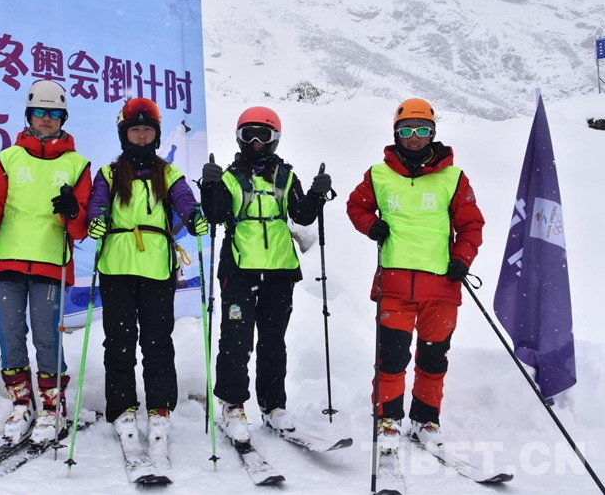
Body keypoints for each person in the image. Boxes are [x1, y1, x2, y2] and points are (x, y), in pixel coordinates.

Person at [346, 98, 484, 450]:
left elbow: (471, 225)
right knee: (391, 358)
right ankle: (388, 420)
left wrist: (462, 259)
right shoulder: (378, 175)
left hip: (442, 287)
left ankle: (426, 420)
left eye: (422, 130)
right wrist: (370, 225)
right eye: (406, 130)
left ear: (433, 133)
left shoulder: (453, 177)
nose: (414, 137)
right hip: (394, 287)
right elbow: (356, 206)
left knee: (433, 359)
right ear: (396, 133)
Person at [0, 80, 92, 445]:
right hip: (8, 260)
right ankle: (21, 403)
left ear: (63, 118)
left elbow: (81, 227)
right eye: (39, 112)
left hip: (50, 262)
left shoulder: (78, 164)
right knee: (11, 334)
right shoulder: (9, 158)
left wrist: (72, 211)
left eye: (53, 113)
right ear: (29, 115)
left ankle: (52, 405)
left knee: (47, 336)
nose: (46, 119)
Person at [199, 106, 332, 442]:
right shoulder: (230, 177)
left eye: (264, 135)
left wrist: (317, 194)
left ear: (275, 139)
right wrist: (210, 187)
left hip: (279, 272)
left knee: (273, 342)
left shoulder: (286, 176)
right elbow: (215, 215)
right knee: (236, 341)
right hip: (239, 272)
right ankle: (232, 405)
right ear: (239, 138)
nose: (256, 142)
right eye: (249, 135)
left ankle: (273, 406)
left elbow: (301, 216)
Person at [85, 97, 208, 449]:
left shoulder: (168, 173)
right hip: (117, 267)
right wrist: (97, 219)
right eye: (135, 130)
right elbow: (98, 202)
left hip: (156, 268)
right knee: (118, 342)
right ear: (124, 134)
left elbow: (184, 198)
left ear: (155, 135)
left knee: (157, 342)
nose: (141, 136)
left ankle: (160, 407)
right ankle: (122, 407)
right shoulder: (109, 174)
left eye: (147, 130)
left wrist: (193, 215)